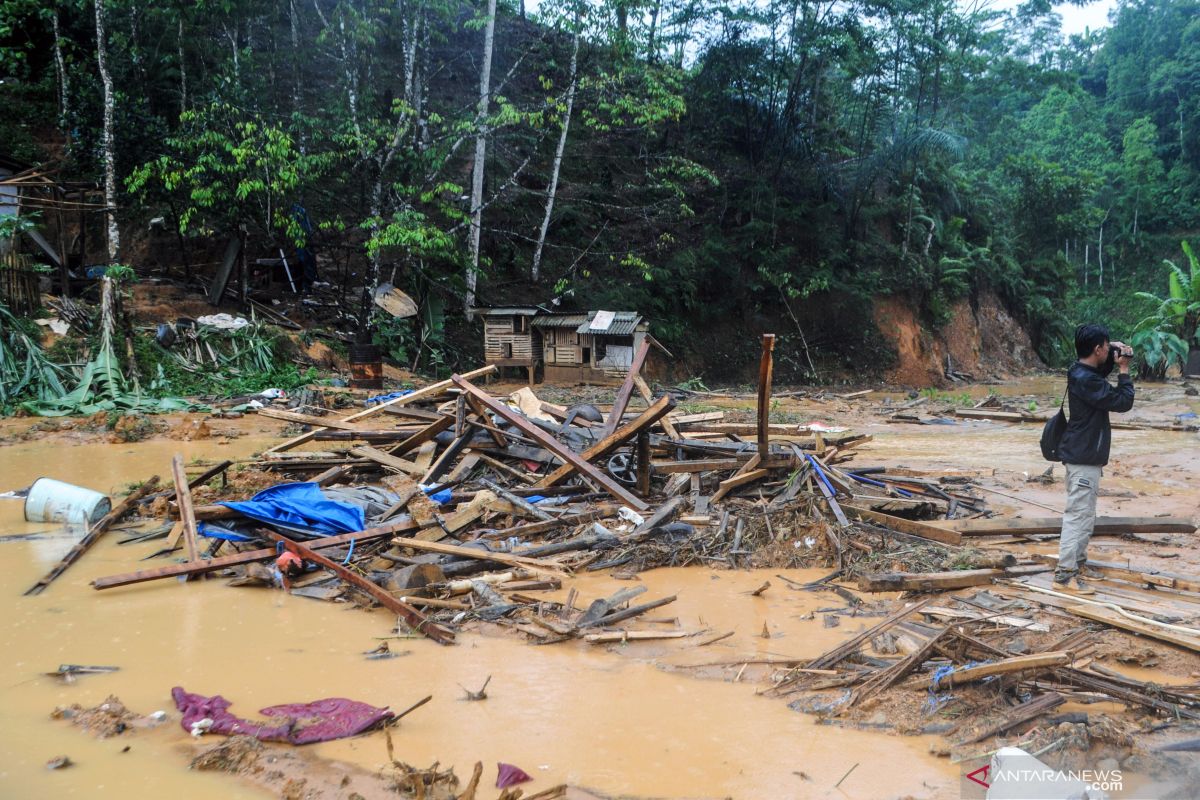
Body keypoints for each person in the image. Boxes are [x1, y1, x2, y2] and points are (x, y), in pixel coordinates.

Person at [1054, 324, 1135, 594]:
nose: (1109, 348)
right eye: (1106, 345)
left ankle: (1078, 563)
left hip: (1084, 455)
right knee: (1077, 516)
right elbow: (1123, 402)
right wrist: (1124, 370)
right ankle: (1065, 574)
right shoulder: (1087, 380)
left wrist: (1113, 350)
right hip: (1083, 457)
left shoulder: (1080, 370)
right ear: (1097, 349)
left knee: (1086, 516)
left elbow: (1098, 369)